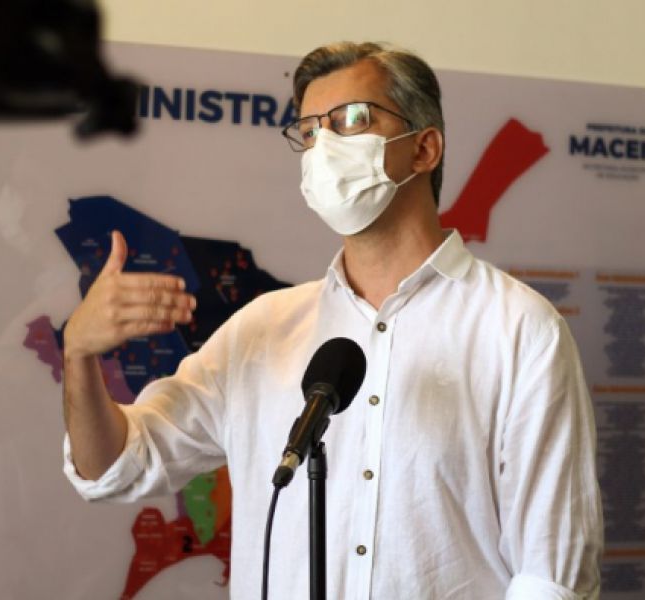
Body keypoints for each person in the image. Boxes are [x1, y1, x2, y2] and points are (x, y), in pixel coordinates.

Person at [62, 41, 603, 599]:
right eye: (310, 131)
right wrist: (78, 356)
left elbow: (552, 574)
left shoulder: (518, 329)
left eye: (351, 120)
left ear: (424, 149)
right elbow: (116, 468)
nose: (323, 147)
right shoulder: (261, 330)